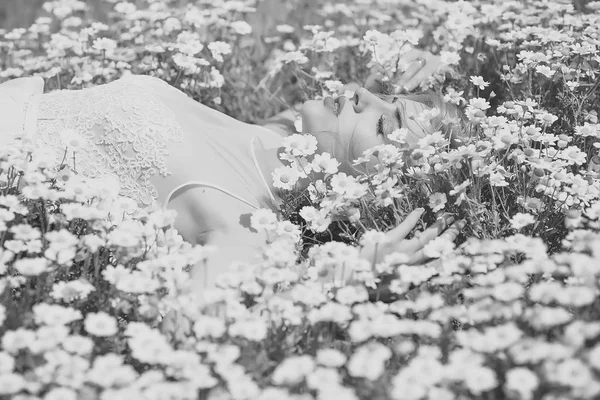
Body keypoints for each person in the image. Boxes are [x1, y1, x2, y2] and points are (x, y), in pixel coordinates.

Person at [0, 54, 464, 290]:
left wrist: (345, 277)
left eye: (385, 123)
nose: (364, 92)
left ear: (377, 189)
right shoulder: (275, 141)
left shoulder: (249, 229)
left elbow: (187, 321)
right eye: (386, 96)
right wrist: (413, 76)